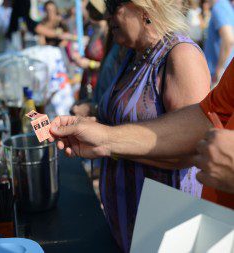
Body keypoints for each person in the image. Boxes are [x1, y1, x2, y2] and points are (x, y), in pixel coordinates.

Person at [58, 0, 211, 251]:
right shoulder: (132, 54)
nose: (107, 13)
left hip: (168, 229)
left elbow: (191, 149)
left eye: (113, 3)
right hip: (130, 226)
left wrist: (107, 141)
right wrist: (88, 126)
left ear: (145, 7)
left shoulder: (181, 55)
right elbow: (127, 121)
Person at [49, 57, 234, 205]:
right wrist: (105, 138)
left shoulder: (181, 55)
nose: (108, 15)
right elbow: (205, 118)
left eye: (115, 7)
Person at [70, 0, 108, 100]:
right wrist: (81, 59)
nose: (85, 11)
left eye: (88, 8)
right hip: (87, 84)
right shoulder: (94, 30)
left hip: (100, 88)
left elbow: (109, 65)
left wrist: (89, 64)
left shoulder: (107, 33)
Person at [204, 0, 234, 84]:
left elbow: (229, 40)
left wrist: (219, 69)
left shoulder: (220, 6)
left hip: (218, 76)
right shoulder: (225, 5)